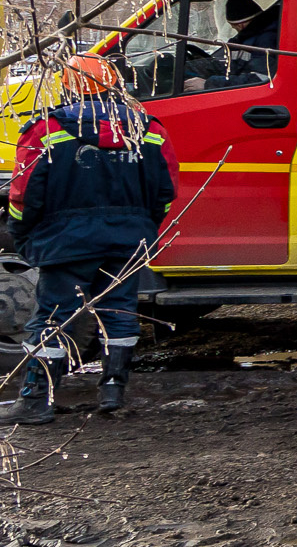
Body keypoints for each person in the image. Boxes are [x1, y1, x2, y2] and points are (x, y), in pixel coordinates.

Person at [3, 54, 177, 422]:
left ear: (67, 87)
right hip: (129, 241)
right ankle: (113, 393)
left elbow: (23, 194)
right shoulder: (149, 129)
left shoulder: (46, 129)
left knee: (53, 318)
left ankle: (36, 400)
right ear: (115, 84)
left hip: (67, 242)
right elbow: (166, 189)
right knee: (118, 312)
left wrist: (22, 232)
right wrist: (144, 228)